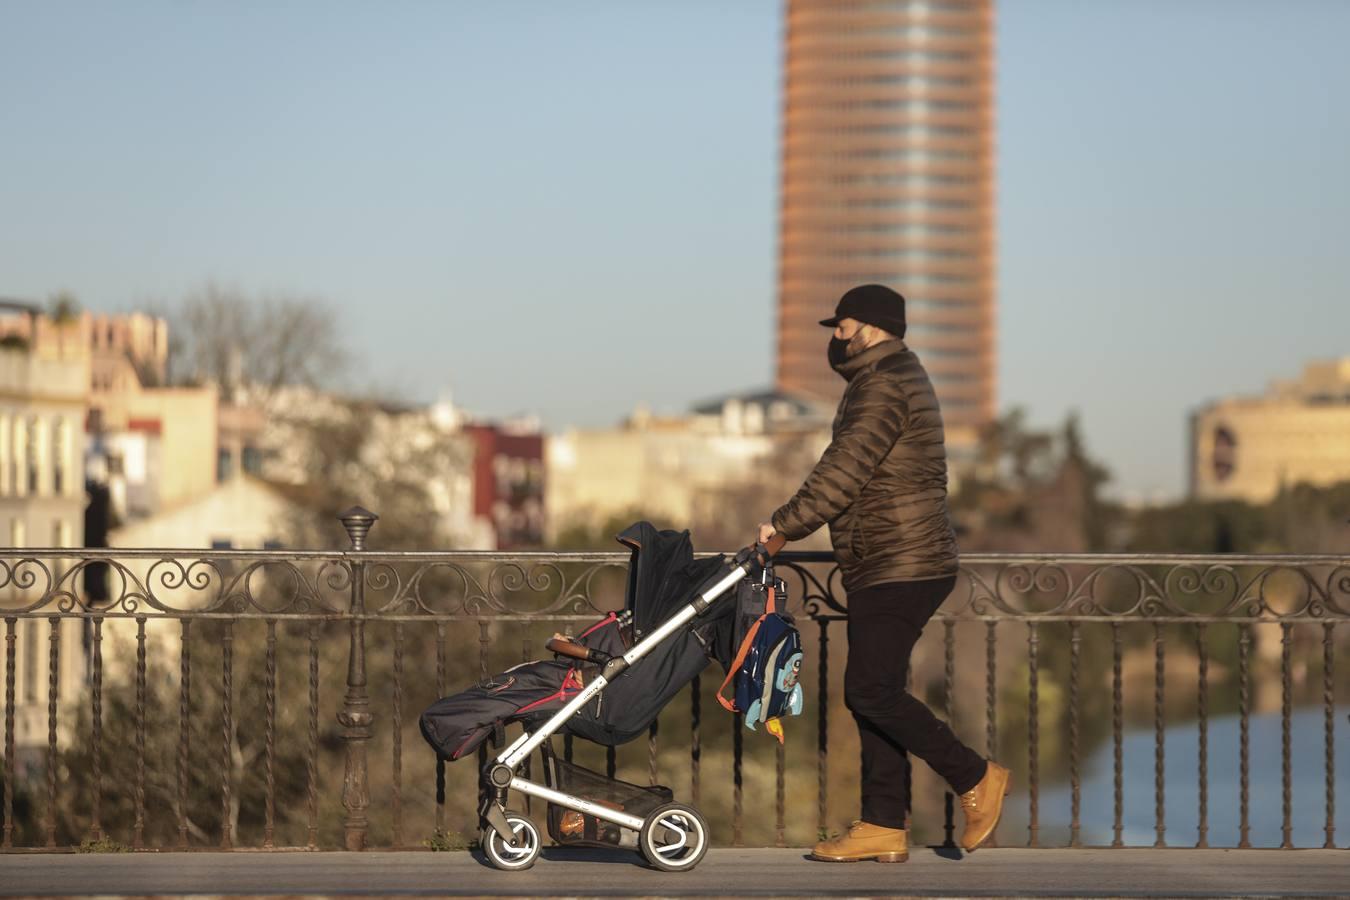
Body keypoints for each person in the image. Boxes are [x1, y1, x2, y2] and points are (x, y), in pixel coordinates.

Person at [758, 283, 1009, 863]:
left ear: (868, 327)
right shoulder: (891, 378)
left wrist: (782, 527)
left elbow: (843, 470)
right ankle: (882, 824)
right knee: (876, 692)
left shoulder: (883, 386)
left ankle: (975, 777)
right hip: (892, 558)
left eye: (840, 327)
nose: (836, 339)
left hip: (902, 560)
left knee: (869, 689)